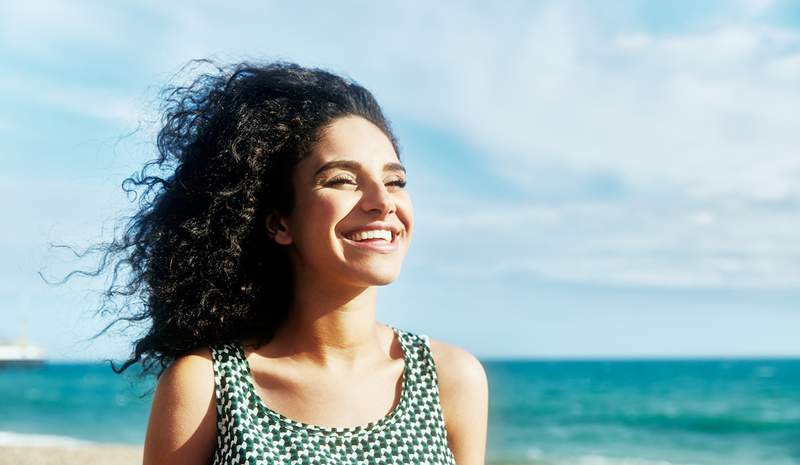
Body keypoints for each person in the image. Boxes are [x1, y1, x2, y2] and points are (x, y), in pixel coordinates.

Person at [108, 60, 487, 465]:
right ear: (279, 222)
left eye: (395, 181)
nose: (382, 201)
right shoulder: (208, 385)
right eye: (342, 179)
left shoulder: (451, 378)